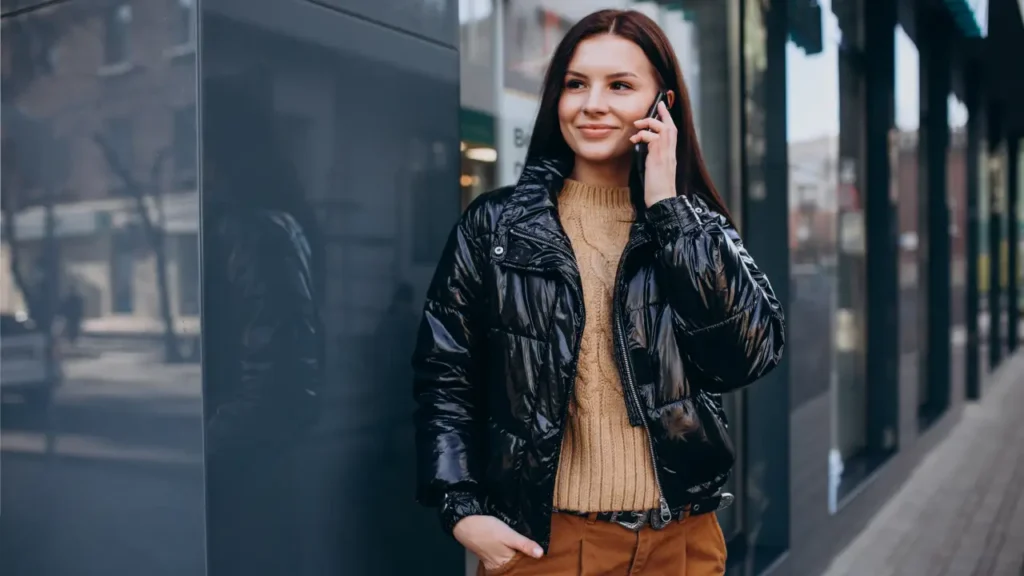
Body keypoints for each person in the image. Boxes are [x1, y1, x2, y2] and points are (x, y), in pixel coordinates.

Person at [412, 8, 785, 576]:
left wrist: (669, 211)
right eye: (575, 84)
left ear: (664, 105)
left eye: (620, 85)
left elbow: (745, 357)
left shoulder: (695, 228)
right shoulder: (495, 227)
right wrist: (459, 508)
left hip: (682, 543)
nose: (592, 104)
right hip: (548, 546)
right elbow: (446, 374)